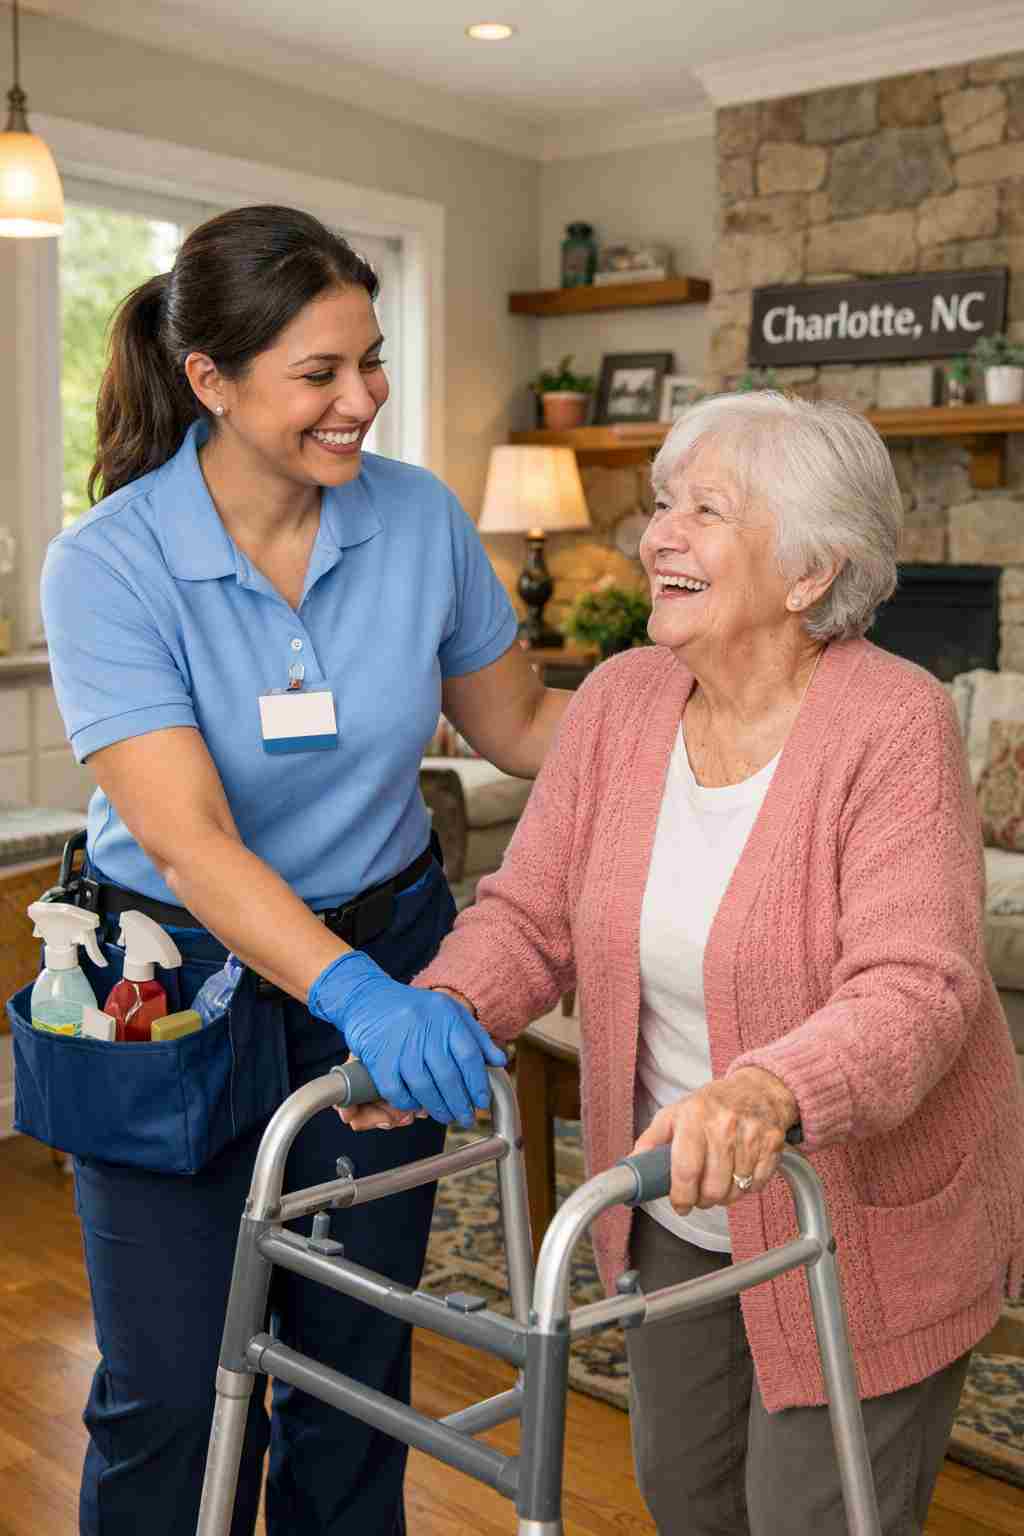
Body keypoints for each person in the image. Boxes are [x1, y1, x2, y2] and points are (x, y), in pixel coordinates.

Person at [367, 390, 1024, 1535]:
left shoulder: (893, 726)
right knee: (687, 1495)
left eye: (703, 509)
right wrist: (444, 1005)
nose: (655, 534)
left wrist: (770, 1089)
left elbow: (916, 989)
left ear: (809, 571)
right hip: (679, 1206)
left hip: (860, 1222)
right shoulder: (622, 702)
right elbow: (529, 914)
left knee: (813, 1514)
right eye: (662, 503)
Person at [35, 204, 573, 1536]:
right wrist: (361, 1000)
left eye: (370, 362)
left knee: (350, 1374)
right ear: (209, 381)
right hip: (172, 985)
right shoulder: (108, 563)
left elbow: (522, 727)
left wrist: (712, 702)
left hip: (388, 937)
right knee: (163, 1390)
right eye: (320, 375)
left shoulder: (422, 521)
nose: (363, 401)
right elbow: (189, 838)